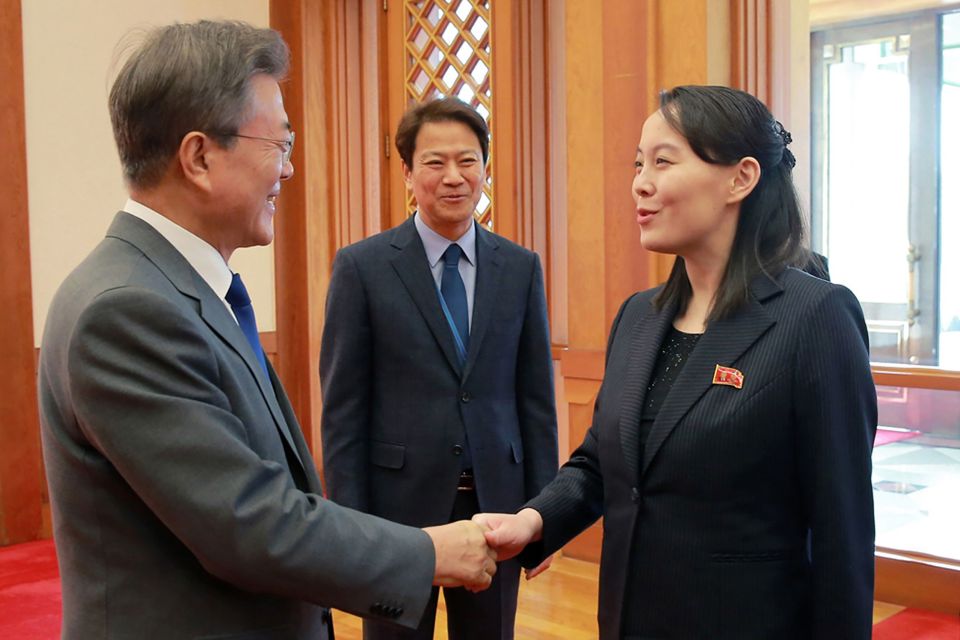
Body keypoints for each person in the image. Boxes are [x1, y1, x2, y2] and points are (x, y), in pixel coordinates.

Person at [37, 21, 496, 640]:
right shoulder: (126, 310)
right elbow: (249, 523)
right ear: (199, 156)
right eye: (278, 145)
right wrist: (429, 552)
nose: (288, 170)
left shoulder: (182, 287)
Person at [475, 85, 878, 639]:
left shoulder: (815, 318)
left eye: (663, 162)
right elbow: (602, 463)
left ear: (741, 178)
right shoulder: (638, 317)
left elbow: (843, 534)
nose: (641, 183)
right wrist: (533, 520)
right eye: (638, 164)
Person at [320, 97, 558, 640]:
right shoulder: (363, 267)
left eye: (467, 161)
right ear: (407, 172)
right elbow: (343, 412)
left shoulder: (519, 267)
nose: (454, 177)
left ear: (484, 168)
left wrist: (545, 516)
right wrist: (352, 531)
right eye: (434, 162)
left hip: (499, 507)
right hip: (397, 515)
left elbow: (536, 399)